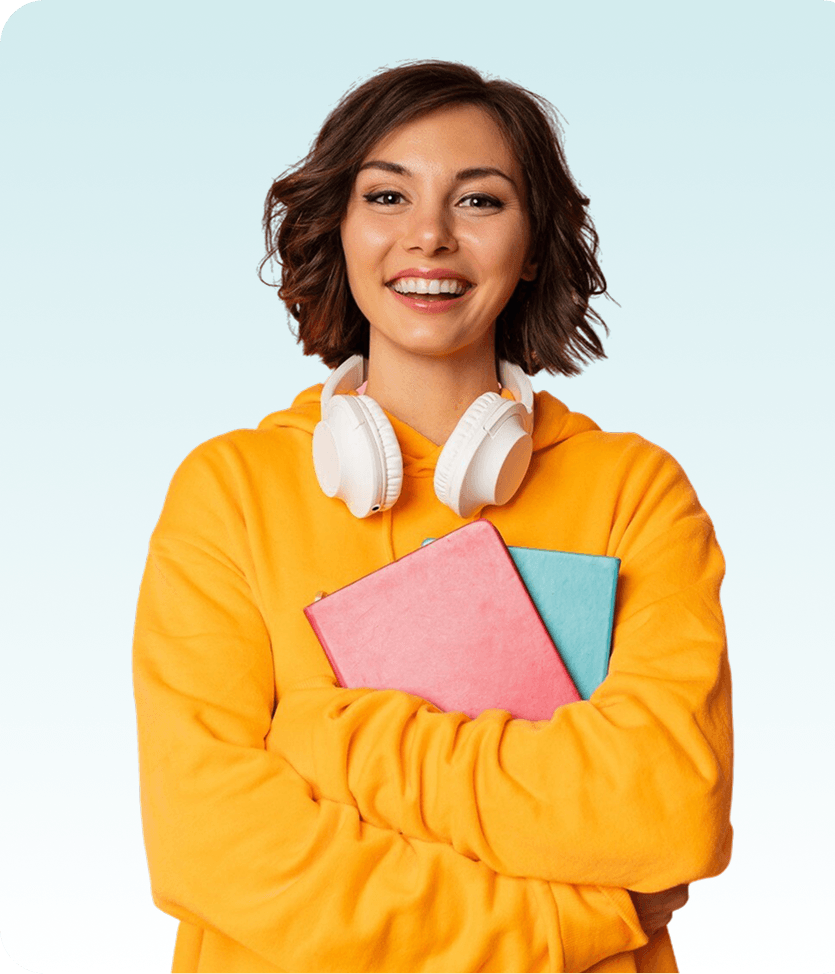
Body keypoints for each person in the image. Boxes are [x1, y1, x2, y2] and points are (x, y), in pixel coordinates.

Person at [133, 60, 732, 973]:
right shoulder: (229, 491)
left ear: (532, 246)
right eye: (386, 196)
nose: (429, 236)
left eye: (480, 202)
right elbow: (214, 846)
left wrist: (332, 739)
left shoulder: (635, 494)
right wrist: (578, 918)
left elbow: (665, 811)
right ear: (338, 226)